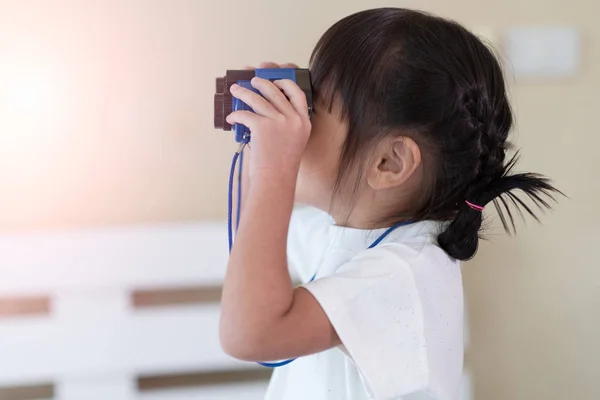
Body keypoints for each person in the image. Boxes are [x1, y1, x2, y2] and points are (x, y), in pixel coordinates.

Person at [219, 7, 560, 400]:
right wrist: (258, 138)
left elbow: (251, 334)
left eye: (315, 108)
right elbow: (253, 234)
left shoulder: (402, 275)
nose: (301, 123)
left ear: (389, 163)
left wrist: (275, 169)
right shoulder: (351, 237)